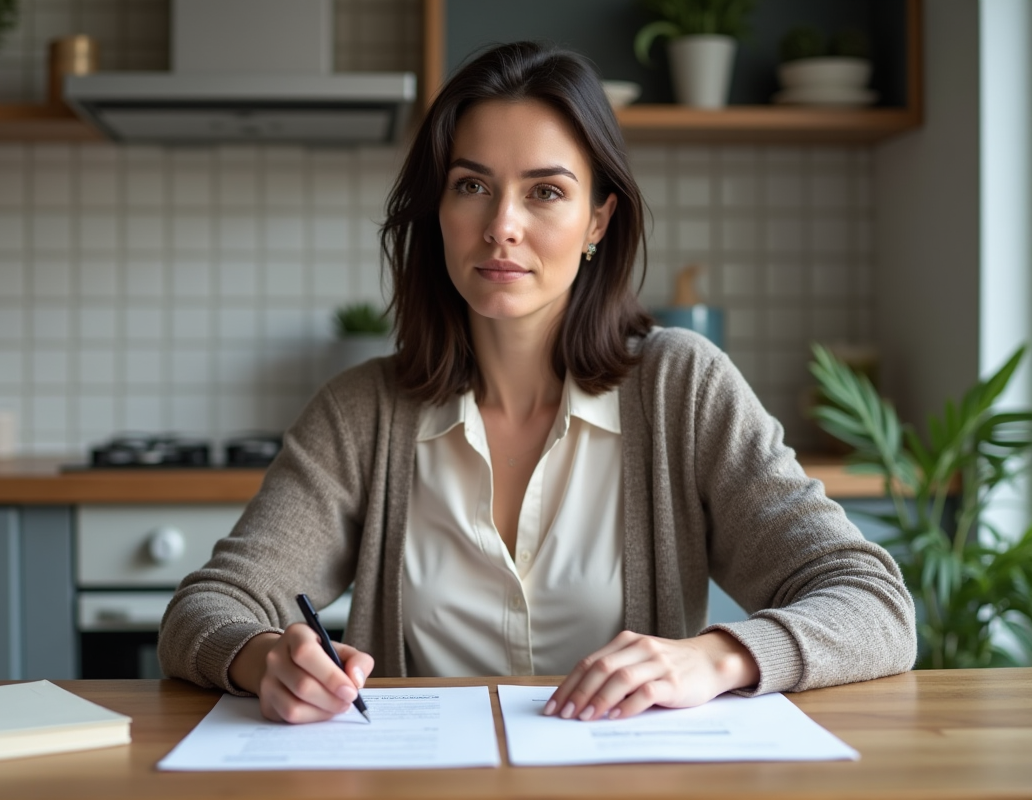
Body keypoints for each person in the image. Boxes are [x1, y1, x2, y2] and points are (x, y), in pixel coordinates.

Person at [158, 41, 916, 724]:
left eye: (546, 191)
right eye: (472, 186)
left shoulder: (681, 387)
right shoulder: (363, 411)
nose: (502, 227)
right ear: (438, 211)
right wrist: (267, 659)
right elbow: (206, 609)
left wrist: (713, 657)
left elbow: (873, 604)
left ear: (598, 221)